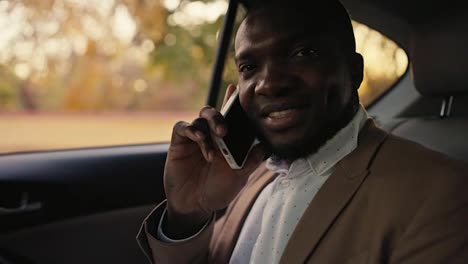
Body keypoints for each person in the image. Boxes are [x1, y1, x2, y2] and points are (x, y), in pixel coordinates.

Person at [137, 0, 468, 263]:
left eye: (302, 53)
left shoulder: (440, 192)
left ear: (353, 72)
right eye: (249, 67)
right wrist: (188, 215)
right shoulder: (253, 175)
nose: (269, 84)